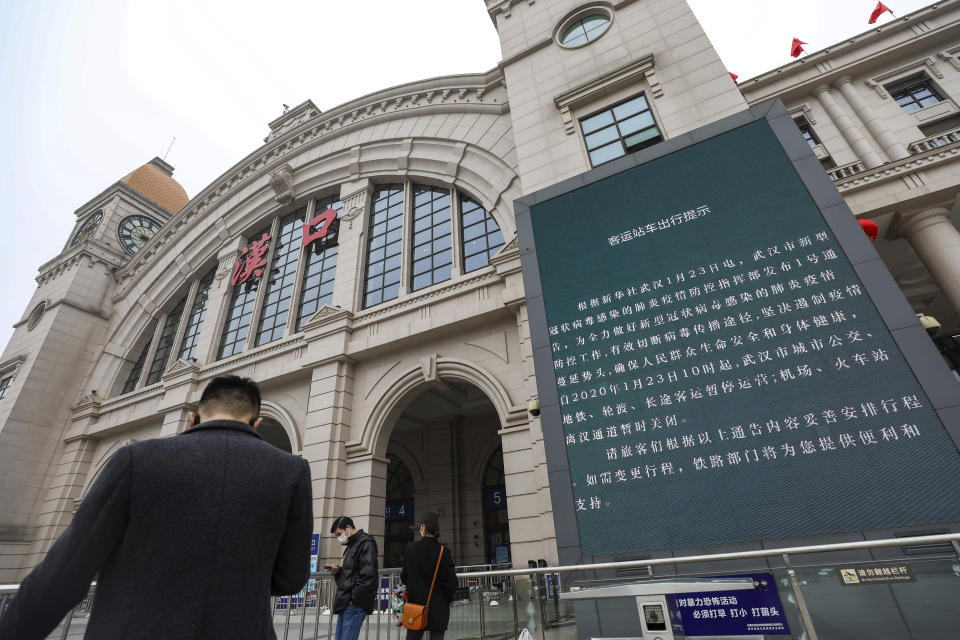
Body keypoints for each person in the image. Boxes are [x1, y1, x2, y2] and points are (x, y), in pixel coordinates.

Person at [0, 375, 313, 639]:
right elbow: (290, 578)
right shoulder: (290, 471)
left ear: (194, 417)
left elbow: (67, 569)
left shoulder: (137, 459)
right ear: (256, 423)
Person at [400, 513, 458, 640]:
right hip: (438, 609)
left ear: (423, 527)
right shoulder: (444, 551)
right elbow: (452, 583)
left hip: (415, 608)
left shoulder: (411, 549)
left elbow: (404, 577)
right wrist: (445, 600)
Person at [329, 515, 379, 640]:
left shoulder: (366, 542)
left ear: (348, 528)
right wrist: (338, 571)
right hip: (347, 602)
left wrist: (354, 599)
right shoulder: (353, 544)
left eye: (339, 534)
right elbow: (352, 574)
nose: (339, 538)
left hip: (354, 603)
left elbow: (368, 576)